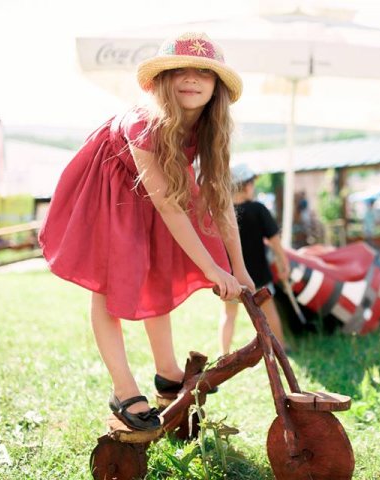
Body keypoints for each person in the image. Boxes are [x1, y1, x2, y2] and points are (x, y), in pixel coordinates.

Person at [39, 32, 254, 432]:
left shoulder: (210, 129)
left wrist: (239, 269)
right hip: (108, 188)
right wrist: (212, 271)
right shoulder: (144, 121)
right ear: (163, 81)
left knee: (156, 272)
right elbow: (171, 208)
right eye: (180, 72)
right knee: (108, 283)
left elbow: (221, 203)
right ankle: (123, 389)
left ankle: (167, 371)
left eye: (204, 74)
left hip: (156, 190)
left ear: (217, 87)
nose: (191, 80)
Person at [220, 163, 289, 354]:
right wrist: (283, 262)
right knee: (269, 312)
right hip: (259, 274)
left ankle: (223, 353)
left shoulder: (224, 213)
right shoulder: (258, 209)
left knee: (229, 315)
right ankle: (281, 348)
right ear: (247, 185)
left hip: (232, 276)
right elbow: (275, 240)